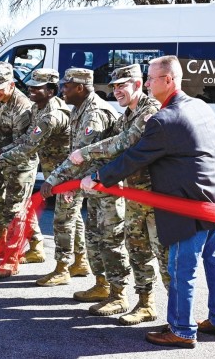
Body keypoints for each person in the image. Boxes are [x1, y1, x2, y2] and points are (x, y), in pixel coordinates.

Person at [82, 55, 215, 349]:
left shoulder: (164, 119)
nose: (148, 84)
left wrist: (98, 177)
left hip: (190, 206)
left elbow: (134, 157)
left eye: (151, 79)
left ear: (168, 80)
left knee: (181, 270)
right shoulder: (200, 106)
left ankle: (181, 330)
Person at [68, 64, 169, 325]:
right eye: (114, 86)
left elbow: (123, 143)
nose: (117, 91)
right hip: (135, 195)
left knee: (165, 257)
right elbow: (111, 149)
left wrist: (85, 153)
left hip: (156, 197)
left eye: (122, 85)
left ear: (138, 84)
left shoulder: (150, 111)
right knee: (137, 250)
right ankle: (144, 303)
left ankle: (180, 317)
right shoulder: (126, 115)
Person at [0, 68, 89, 286]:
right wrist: (1, 152)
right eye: (30, 85)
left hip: (66, 174)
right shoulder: (38, 108)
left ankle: (62, 268)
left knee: (63, 220)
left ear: (51, 90)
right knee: (73, 217)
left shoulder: (51, 115)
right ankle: (81, 261)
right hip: (54, 171)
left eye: (37, 87)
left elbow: (28, 147)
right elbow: (24, 139)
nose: (30, 89)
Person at [40, 68, 131, 316]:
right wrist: (71, 184)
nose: (62, 91)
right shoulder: (80, 110)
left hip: (108, 190)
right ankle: (102, 286)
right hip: (91, 188)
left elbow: (81, 156)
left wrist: (55, 180)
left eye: (66, 86)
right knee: (93, 239)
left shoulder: (94, 114)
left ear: (79, 87)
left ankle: (119, 295)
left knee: (111, 242)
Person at [0, 62, 42, 278]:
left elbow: (23, 142)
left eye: (0, 89)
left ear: (12, 85)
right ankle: (37, 245)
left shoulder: (23, 106)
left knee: (14, 210)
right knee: (16, 206)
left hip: (21, 161)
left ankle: (11, 261)